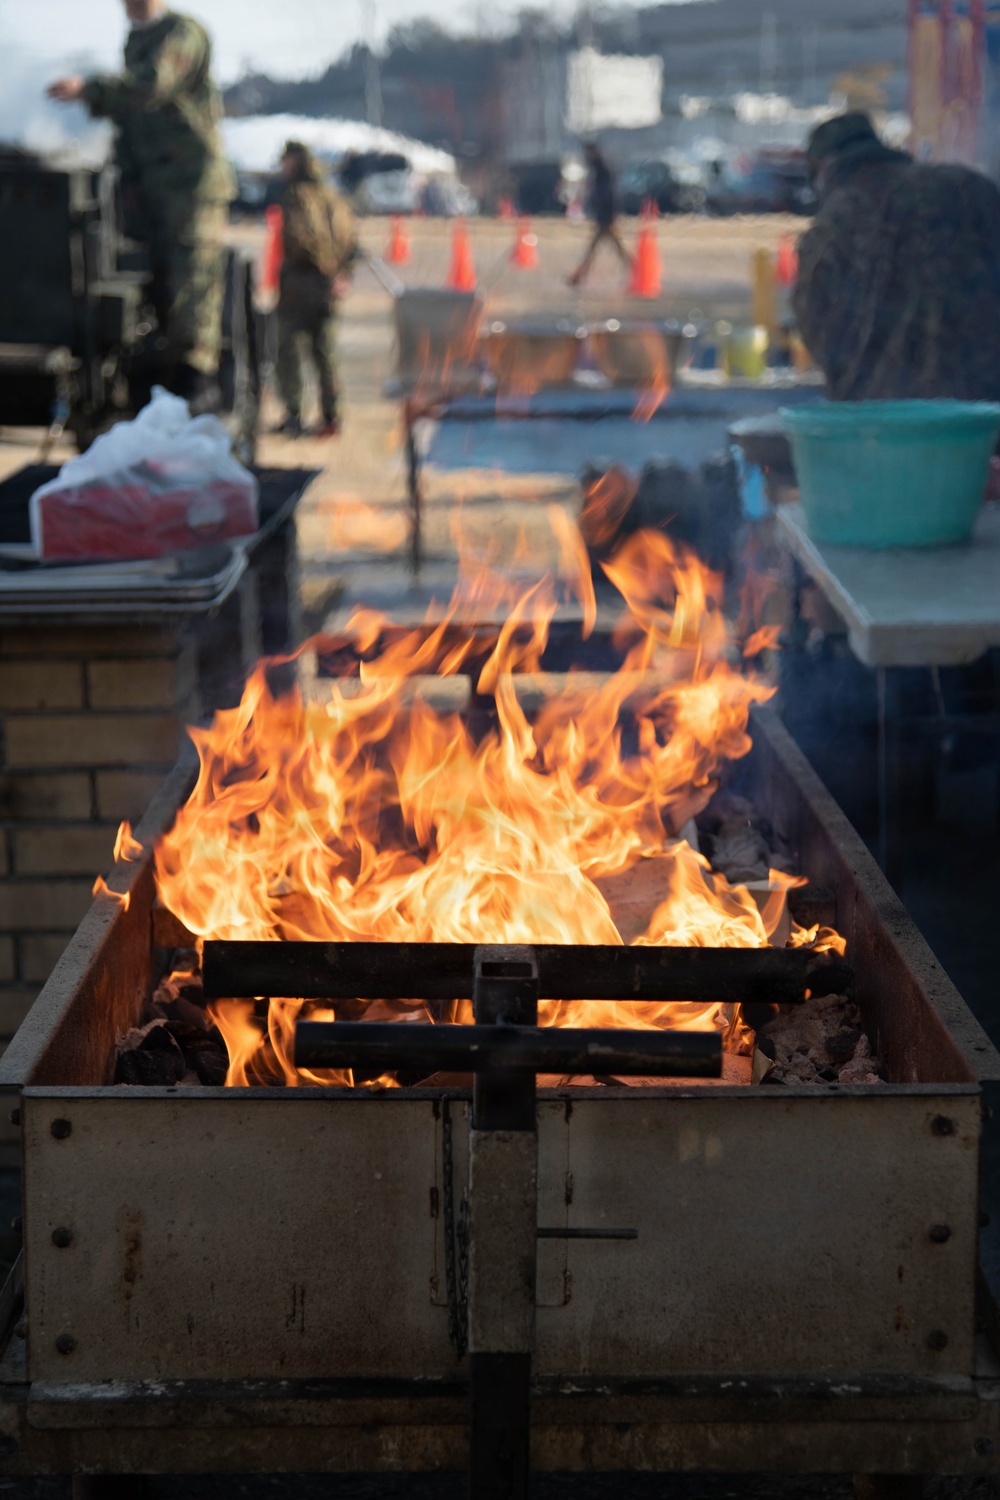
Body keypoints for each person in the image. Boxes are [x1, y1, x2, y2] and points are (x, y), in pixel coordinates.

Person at [48, 0, 235, 413]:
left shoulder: (181, 33)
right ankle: (160, 384)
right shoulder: (136, 41)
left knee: (192, 279)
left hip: (190, 186)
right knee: (156, 289)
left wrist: (89, 90)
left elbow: (153, 84)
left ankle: (197, 379)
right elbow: (130, 117)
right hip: (148, 187)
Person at [794, 112, 1000, 402]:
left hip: (887, 424)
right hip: (984, 412)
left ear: (823, 168)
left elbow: (817, 329)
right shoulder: (968, 188)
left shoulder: (833, 226)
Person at [274, 140, 357, 440]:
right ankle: (331, 417)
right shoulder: (334, 197)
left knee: (290, 350)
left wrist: (323, 268)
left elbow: (303, 238)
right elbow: (352, 241)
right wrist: (341, 274)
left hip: (302, 284)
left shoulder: (297, 196)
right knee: (325, 354)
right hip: (327, 288)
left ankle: (294, 415)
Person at [567, 143, 632, 288]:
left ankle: (579, 276)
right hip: (604, 214)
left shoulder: (601, 169)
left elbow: (606, 194)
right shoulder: (599, 168)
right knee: (614, 247)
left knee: (596, 248)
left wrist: (607, 211)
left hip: (605, 215)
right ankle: (636, 270)